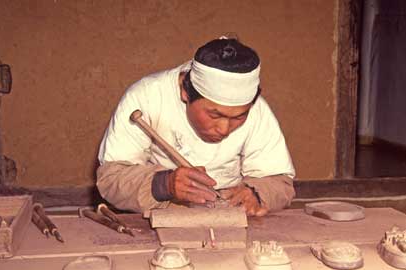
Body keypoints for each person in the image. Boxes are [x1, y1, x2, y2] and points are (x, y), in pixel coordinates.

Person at [97, 37, 295, 217]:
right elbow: (110, 180)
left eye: (239, 116)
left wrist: (256, 193)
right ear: (185, 92)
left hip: (229, 213)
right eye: (214, 114)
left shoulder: (257, 109)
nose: (224, 129)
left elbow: (280, 182)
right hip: (159, 211)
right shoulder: (147, 97)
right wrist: (163, 184)